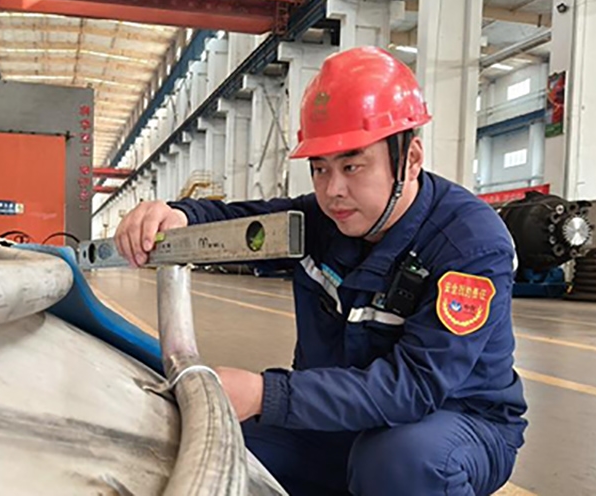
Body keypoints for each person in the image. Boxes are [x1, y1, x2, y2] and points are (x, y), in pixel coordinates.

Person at [115, 46, 527, 496]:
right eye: (320, 169)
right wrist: (181, 216)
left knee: (399, 462)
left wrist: (265, 394)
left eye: (352, 166)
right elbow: (248, 225)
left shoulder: (468, 244)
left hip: (455, 422)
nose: (333, 191)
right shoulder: (322, 222)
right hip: (343, 421)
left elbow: (415, 387)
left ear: (410, 159)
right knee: (216, 441)